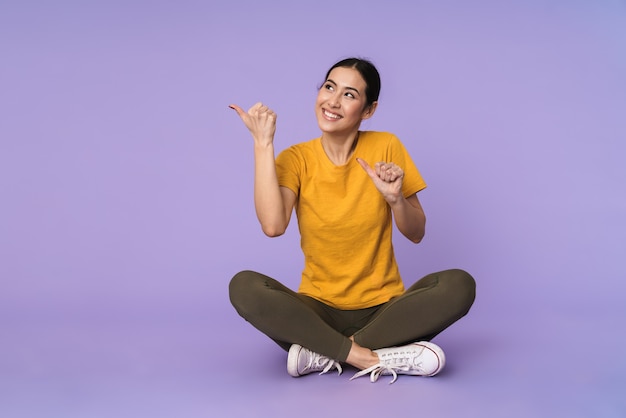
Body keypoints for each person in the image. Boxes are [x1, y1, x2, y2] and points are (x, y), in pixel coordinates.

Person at [228, 57, 475, 384]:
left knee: (459, 284)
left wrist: (395, 199)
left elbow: (416, 232)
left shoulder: (386, 145)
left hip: (385, 311)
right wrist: (263, 144)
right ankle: (373, 356)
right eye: (329, 87)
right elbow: (273, 226)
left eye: (349, 94)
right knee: (243, 286)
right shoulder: (296, 158)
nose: (333, 100)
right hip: (316, 311)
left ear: (368, 109)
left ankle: (325, 353)